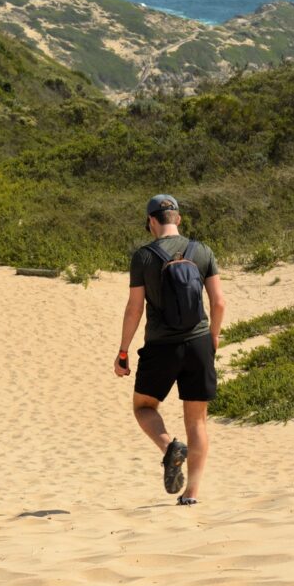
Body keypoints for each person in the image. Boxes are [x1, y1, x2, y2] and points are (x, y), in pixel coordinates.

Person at [114, 194, 226, 505]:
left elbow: (135, 308)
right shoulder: (202, 251)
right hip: (199, 343)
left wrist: (123, 351)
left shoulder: (144, 256)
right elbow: (218, 303)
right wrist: (213, 338)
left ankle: (169, 449)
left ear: (151, 221)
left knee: (143, 408)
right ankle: (191, 494)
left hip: (161, 346)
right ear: (177, 218)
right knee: (197, 421)